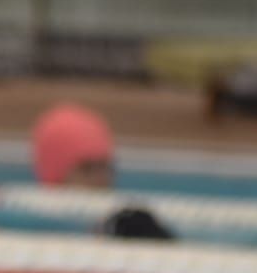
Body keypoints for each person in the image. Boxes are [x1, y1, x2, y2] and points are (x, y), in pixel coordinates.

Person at [31, 102, 175, 240]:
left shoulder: (126, 226)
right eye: (88, 169)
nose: (102, 178)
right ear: (55, 175)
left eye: (106, 167)